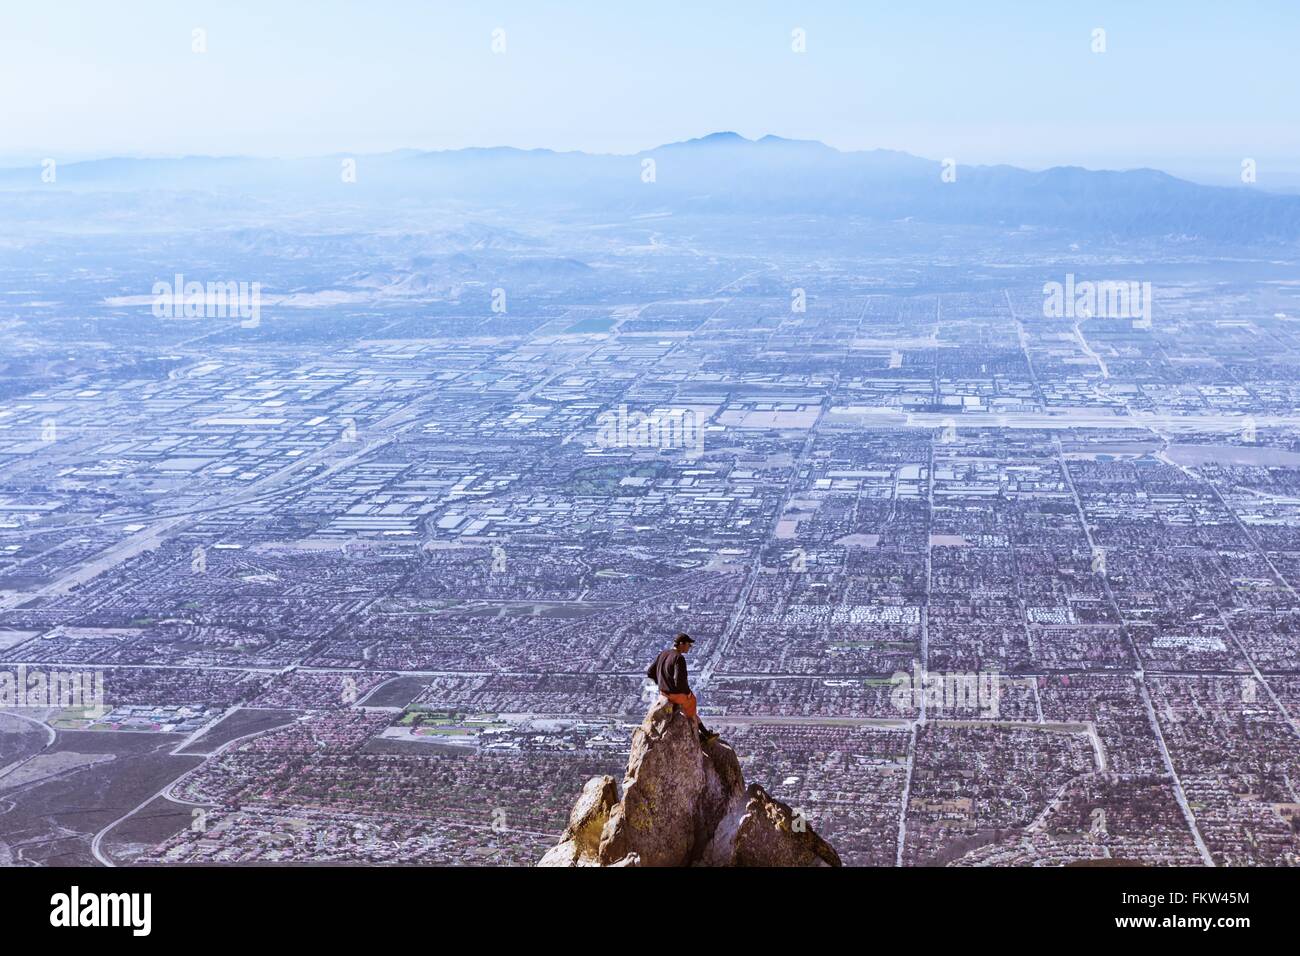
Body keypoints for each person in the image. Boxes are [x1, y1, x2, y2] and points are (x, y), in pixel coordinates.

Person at [645, 632, 719, 745]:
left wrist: (661, 683)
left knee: (689, 708)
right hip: (675, 695)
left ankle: (703, 733)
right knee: (691, 705)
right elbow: (679, 681)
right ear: (681, 644)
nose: (690, 647)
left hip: (662, 693)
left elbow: (650, 672)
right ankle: (700, 734)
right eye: (688, 644)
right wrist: (687, 693)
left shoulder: (663, 653)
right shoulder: (679, 658)